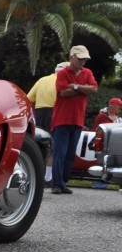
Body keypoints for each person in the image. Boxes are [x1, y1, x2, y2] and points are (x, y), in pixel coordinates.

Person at [50, 45, 98, 195]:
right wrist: (84, 89)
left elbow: (94, 89)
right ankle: (57, 184)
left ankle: (63, 182)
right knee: (60, 153)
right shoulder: (63, 73)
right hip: (62, 120)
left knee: (70, 154)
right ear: (72, 57)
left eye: (84, 59)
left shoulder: (87, 72)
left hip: (77, 121)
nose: (83, 62)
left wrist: (76, 86)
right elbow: (63, 92)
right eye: (80, 59)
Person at [28, 61, 69, 185]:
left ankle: (36, 173)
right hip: (55, 112)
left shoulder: (42, 80)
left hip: (39, 112)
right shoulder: (63, 82)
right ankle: (48, 176)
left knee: (39, 143)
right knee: (53, 145)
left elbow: (29, 98)